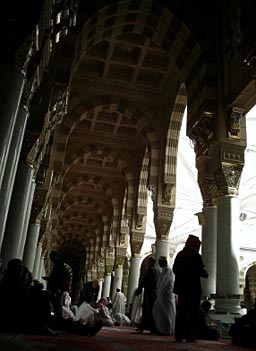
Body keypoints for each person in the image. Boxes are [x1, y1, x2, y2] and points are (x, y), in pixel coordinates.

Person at [173, 234, 208, 342]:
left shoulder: (180, 254)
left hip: (182, 289)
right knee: (193, 313)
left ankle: (179, 336)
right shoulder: (195, 255)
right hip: (193, 289)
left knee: (181, 312)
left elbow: (175, 269)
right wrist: (204, 273)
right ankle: (190, 336)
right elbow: (200, 271)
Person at [135, 256, 161, 333]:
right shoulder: (158, 271)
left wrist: (139, 289)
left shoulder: (151, 270)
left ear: (150, 262)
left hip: (149, 292)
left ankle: (145, 326)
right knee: (153, 310)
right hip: (155, 292)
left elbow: (145, 280)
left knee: (147, 309)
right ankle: (152, 326)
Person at [153, 256, 176, 336]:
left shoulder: (168, 270)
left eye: (160, 262)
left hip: (166, 294)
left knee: (167, 311)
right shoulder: (164, 270)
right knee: (160, 311)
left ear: (164, 262)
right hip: (162, 294)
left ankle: (167, 330)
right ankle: (162, 329)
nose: (159, 264)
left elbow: (164, 283)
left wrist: (158, 290)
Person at [42, 251, 68, 317]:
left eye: (51, 258)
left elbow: (58, 278)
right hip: (57, 289)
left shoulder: (58, 265)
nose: (51, 260)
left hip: (56, 289)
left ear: (54, 257)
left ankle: (59, 321)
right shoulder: (59, 264)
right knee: (57, 305)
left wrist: (57, 289)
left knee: (57, 305)